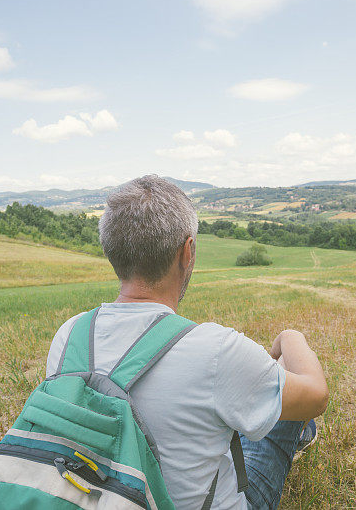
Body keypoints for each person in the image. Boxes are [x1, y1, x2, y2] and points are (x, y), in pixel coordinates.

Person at [45, 175, 329, 509]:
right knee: (280, 381)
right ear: (188, 251)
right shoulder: (216, 350)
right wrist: (291, 337)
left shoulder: (70, 334)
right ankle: (299, 433)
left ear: (111, 251)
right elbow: (316, 395)